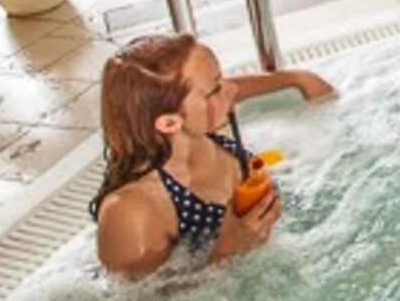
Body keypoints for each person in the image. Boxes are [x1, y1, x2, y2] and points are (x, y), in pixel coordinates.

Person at [91, 34, 334, 278]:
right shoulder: (131, 212)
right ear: (169, 123)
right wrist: (226, 254)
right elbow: (139, 300)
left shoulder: (200, 127)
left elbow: (217, 90)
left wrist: (293, 79)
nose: (232, 89)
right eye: (216, 88)